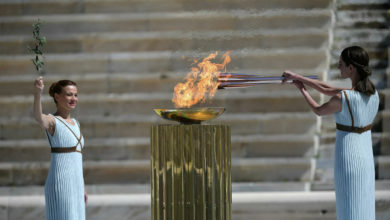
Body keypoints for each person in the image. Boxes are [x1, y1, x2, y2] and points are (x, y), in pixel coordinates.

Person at [282, 46, 378, 220]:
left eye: (341, 64)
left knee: (349, 207)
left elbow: (318, 110)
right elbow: (327, 88)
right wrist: (298, 78)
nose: (338, 67)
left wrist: (301, 89)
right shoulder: (373, 94)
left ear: (351, 68)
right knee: (363, 206)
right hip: (366, 159)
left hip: (349, 159)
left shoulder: (344, 98)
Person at [34, 76, 87, 220]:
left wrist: (83, 187)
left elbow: (77, 159)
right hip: (61, 183)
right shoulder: (52, 121)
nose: (73, 98)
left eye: (76, 95)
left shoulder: (76, 123)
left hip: (76, 183)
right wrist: (38, 93)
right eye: (69, 94)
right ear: (57, 97)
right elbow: (39, 117)